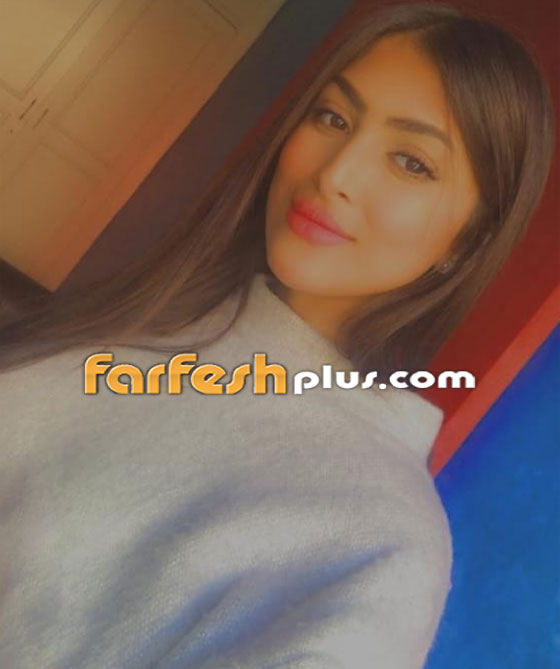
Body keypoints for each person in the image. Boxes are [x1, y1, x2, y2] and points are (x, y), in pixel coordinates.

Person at [0, 2, 553, 667]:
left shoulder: (382, 541)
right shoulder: (155, 311)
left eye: (411, 162)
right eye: (333, 118)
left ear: (467, 242)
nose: (335, 174)